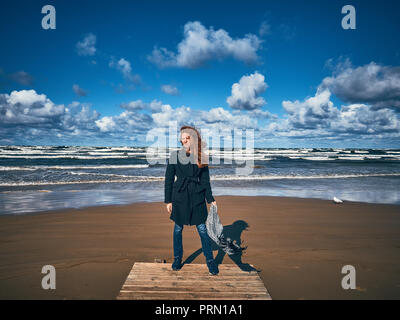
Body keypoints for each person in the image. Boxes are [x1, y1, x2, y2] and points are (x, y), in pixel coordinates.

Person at [164, 125, 219, 275]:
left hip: (197, 195)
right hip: (180, 195)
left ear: (192, 139)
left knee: (202, 229)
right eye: (181, 139)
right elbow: (168, 180)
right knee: (177, 229)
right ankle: (177, 258)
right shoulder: (174, 155)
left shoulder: (201, 156)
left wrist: (210, 199)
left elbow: (205, 181)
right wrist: (168, 201)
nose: (183, 141)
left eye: (186, 138)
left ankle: (210, 261)